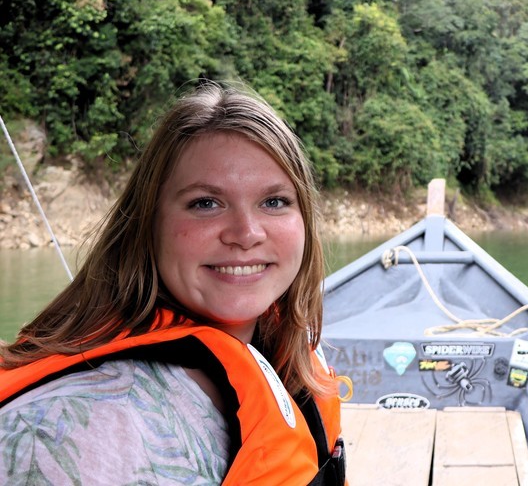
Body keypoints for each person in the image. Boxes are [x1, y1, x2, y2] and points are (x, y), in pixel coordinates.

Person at [0, 81, 346, 485]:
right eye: (205, 203)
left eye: (274, 201)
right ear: (149, 225)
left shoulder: (286, 353)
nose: (246, 232)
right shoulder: (80, 433)